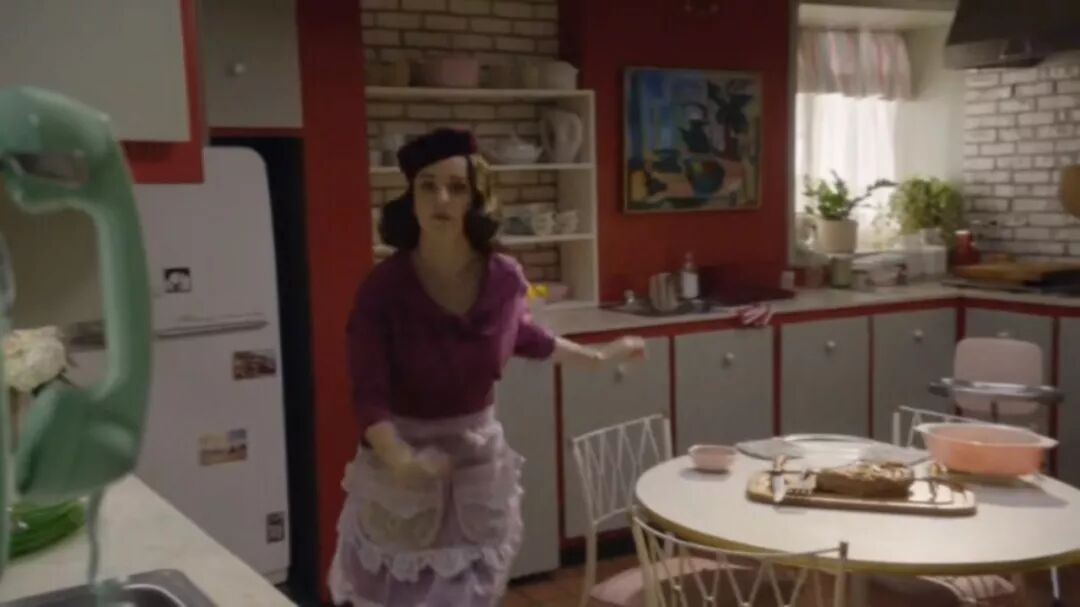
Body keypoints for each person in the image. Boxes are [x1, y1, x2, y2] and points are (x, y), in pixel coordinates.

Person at [328, 128, 645, 607]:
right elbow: (368, 392)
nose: (441, 199)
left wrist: (598, 357)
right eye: (428, 186)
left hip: (476, 464)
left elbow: (524, 335)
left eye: (456, 187)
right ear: (411, 198)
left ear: (475, 199)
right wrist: (401, 460)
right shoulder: (383, 288)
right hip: (401, 471)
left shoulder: (503, 277)